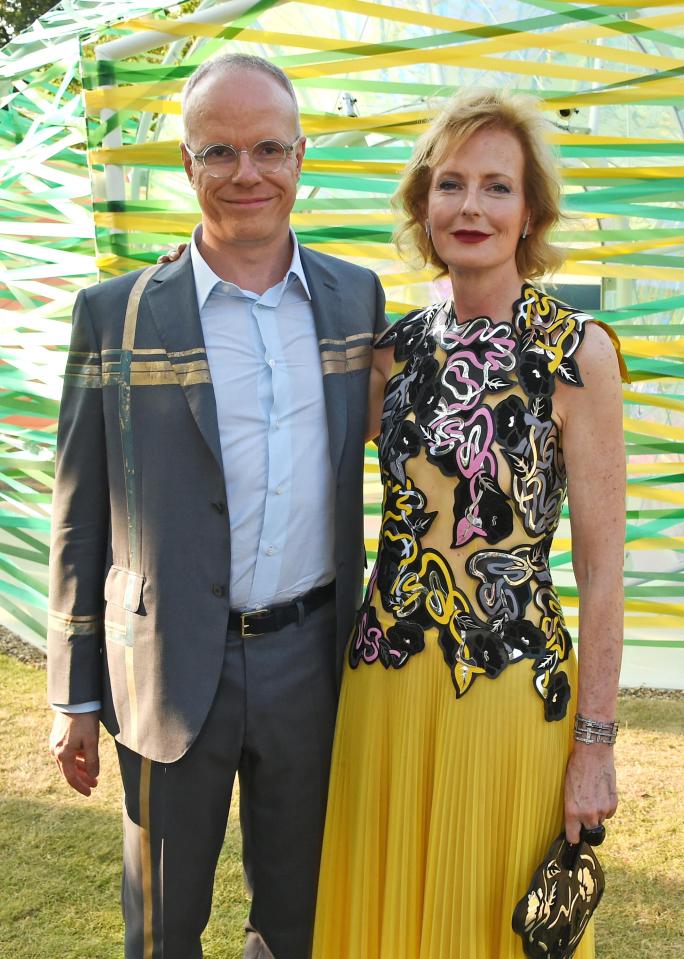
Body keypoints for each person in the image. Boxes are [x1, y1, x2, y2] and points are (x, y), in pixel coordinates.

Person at [47, 53, 386, 959]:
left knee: (300, 921)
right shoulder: (114, 314)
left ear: (301, 157)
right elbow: (79, 515)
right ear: (187, 164)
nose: (248, 174)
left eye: (269, 148)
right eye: (220, 151)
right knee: (162, 930)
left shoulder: (357, 299)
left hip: (313, 665)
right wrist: (74, 692)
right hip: (164, 666)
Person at [312, 88, 627, 958]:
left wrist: (595, 744)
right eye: (450, 185)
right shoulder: (392, 352)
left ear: (529, 212)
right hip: (385, 688)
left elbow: (604, 573)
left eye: (497, 187)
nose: (472, 207)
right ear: (423, 204)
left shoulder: (578, 355)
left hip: (513, 697)